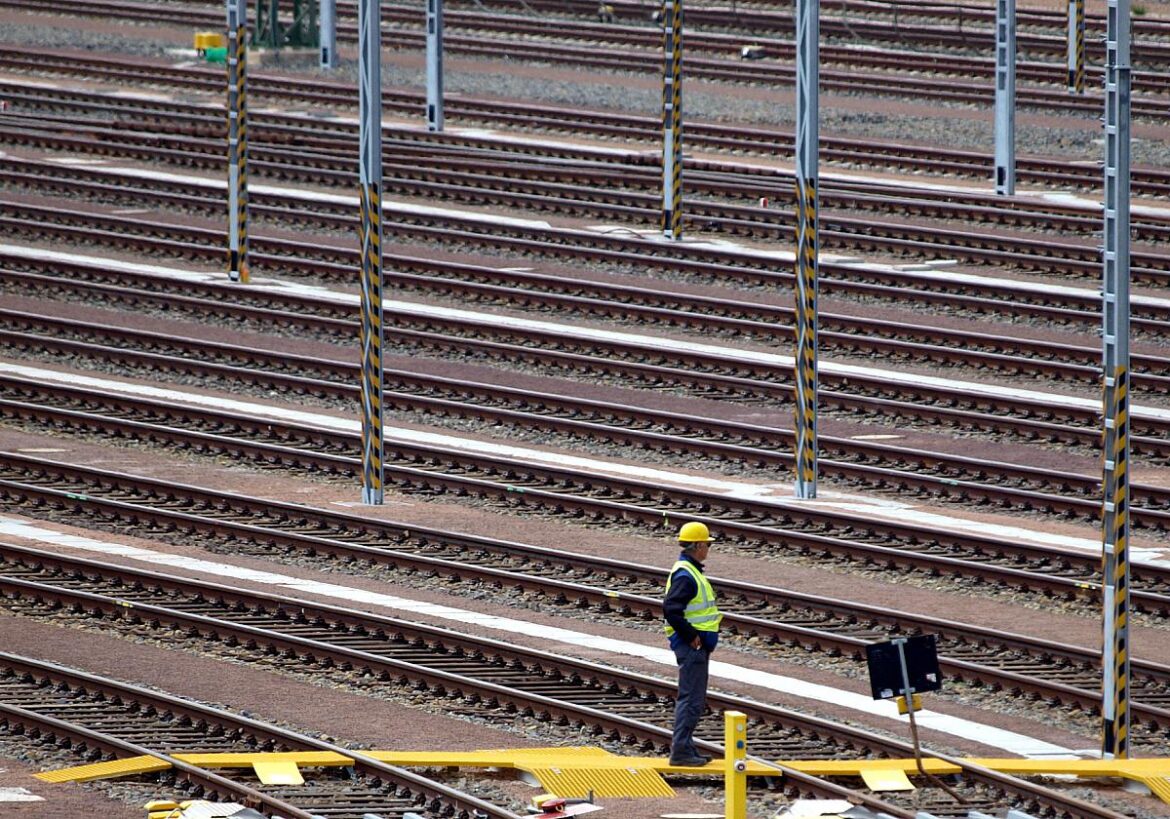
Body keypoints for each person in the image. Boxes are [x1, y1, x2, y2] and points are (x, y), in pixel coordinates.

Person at [662, 520, 722, 767]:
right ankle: (681, 751)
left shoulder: (690, 571)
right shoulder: (686, 575)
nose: (708, 548)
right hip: (692, 647)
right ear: (697, 545)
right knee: (691, 699)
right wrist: (691, 636)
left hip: (695, 646)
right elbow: (671, 609)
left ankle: (686, 747)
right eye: (707, 544)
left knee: (693, 699)